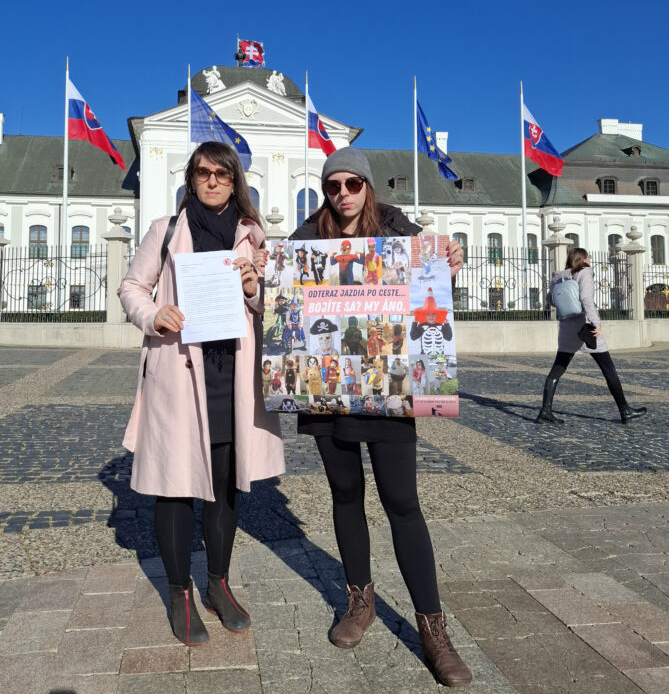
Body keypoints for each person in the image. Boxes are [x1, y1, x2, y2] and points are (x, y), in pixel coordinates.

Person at [259, 146, 470, 686]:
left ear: (368, 188)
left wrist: (451, 261)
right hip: (327, 389)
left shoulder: (400, 231)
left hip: (389, 390)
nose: (343, 194)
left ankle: (432, 626)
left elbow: (434, 284)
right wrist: (261, 275)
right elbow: (279, 303)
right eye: (334, 185)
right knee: (345, 494)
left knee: (402, 501)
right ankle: (360, 601)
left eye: (353, 184)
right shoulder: (306, 240)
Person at [118, 141, 284, 647]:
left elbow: (273, 307)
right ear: (191, 180)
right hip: (176, 371)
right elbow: (131, 288)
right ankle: (178, 593)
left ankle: (217, 583)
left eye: (221, 174)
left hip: (231, 375)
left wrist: (256, 288)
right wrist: (153, 315)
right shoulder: (165, 231)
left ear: (236, 181)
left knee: (226, 481)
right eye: (202, 173)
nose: (212, 182)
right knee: (175, 484)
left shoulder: (254, 238)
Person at [537, 247, 647, 425]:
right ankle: (625, 411)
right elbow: (587, 299)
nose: (590, 260)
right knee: (608, 368)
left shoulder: (557, 276)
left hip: (566, 328)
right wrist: (597, 323)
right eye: (588, 257)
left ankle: (545, 411)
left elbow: (550, 300)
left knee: (558, 368)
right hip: (585, 328)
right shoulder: (585, 273)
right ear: (583, 259)